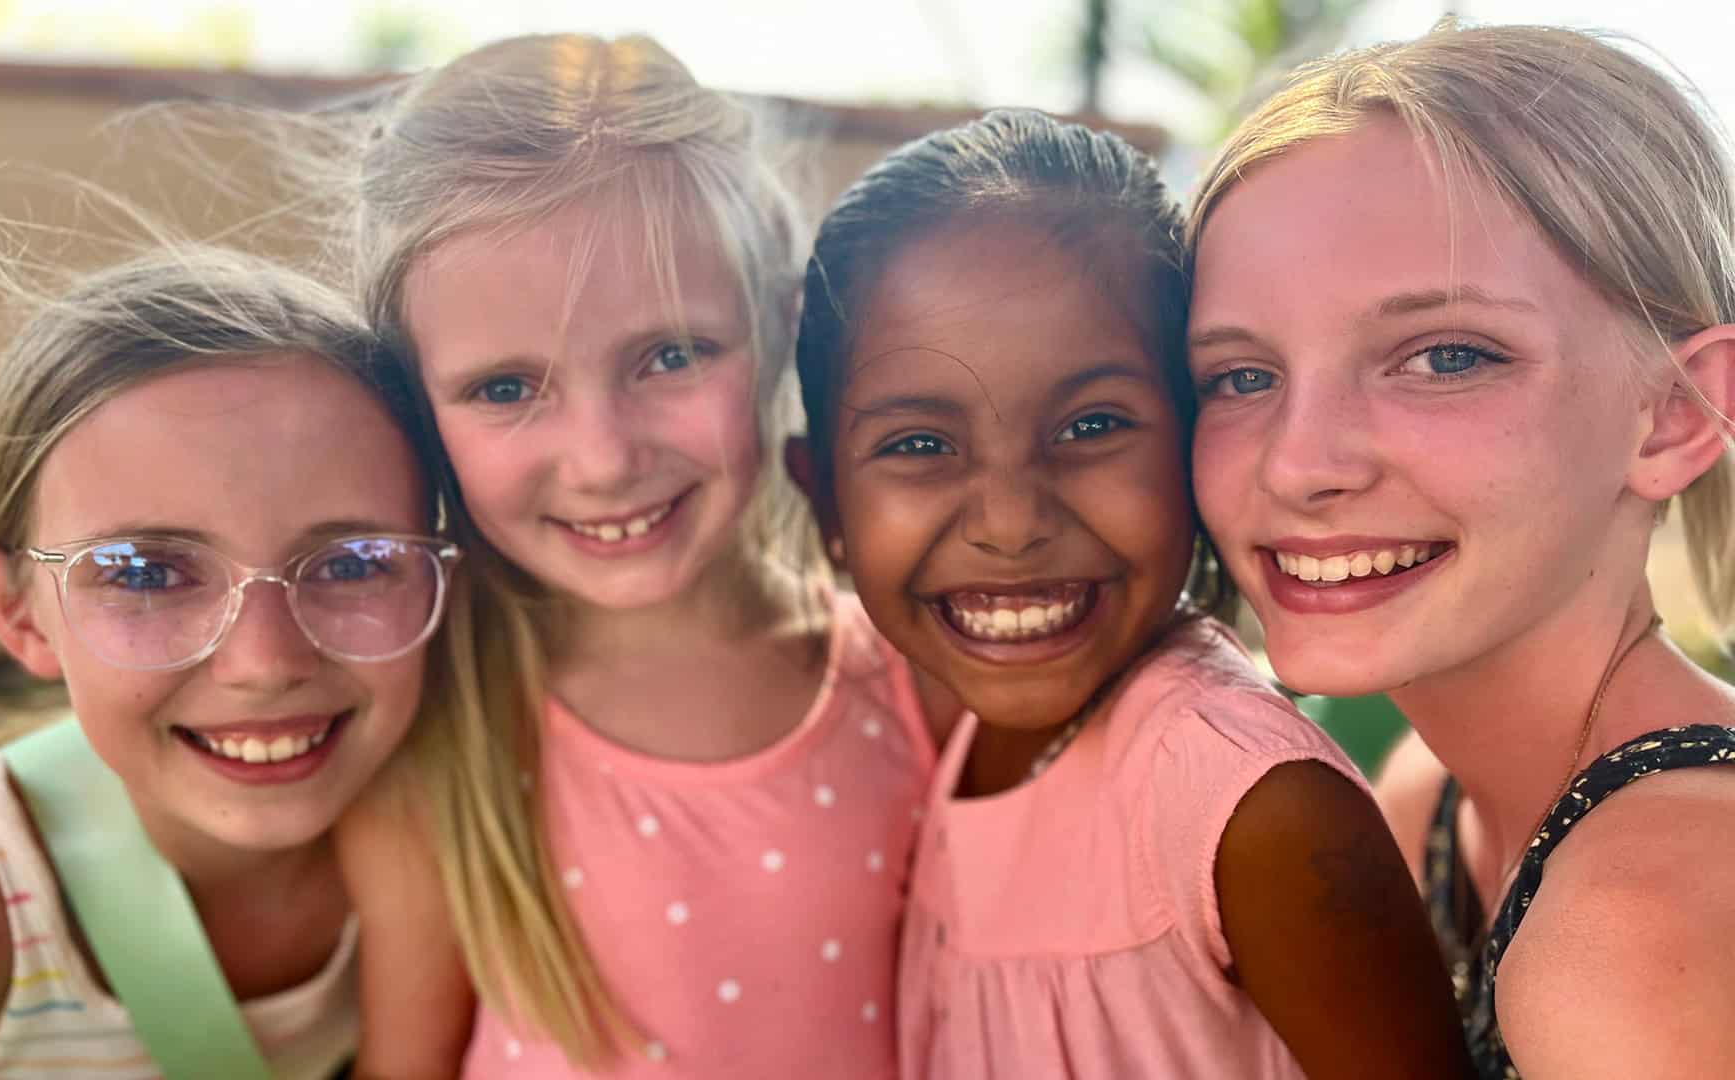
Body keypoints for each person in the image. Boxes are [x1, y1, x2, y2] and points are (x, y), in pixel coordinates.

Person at [792, 107, 1472, 1078]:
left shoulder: (1254, 814)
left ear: (1198, 438)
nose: (1011, 521)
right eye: (919, 446)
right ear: (822, 499)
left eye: (1092, 425)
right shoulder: (953, 736)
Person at [331, 33, 944, 1076]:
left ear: (779, 324)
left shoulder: (914, 683)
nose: (604, 459)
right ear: (414, 402)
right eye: (507, 388)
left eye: (670, 355)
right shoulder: (437, 734)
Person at [1186, 21, 1735, 1077]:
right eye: (1241, 376)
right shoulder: (1425, 794)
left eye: (1444, 357)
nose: (1301, 466)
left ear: (1674, 416)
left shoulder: (1635, 924)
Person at [0, 247, 459, 1078]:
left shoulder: (443, 815)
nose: (265, 663)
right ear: (16, 609)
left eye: (354, 561)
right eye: (146, 573)